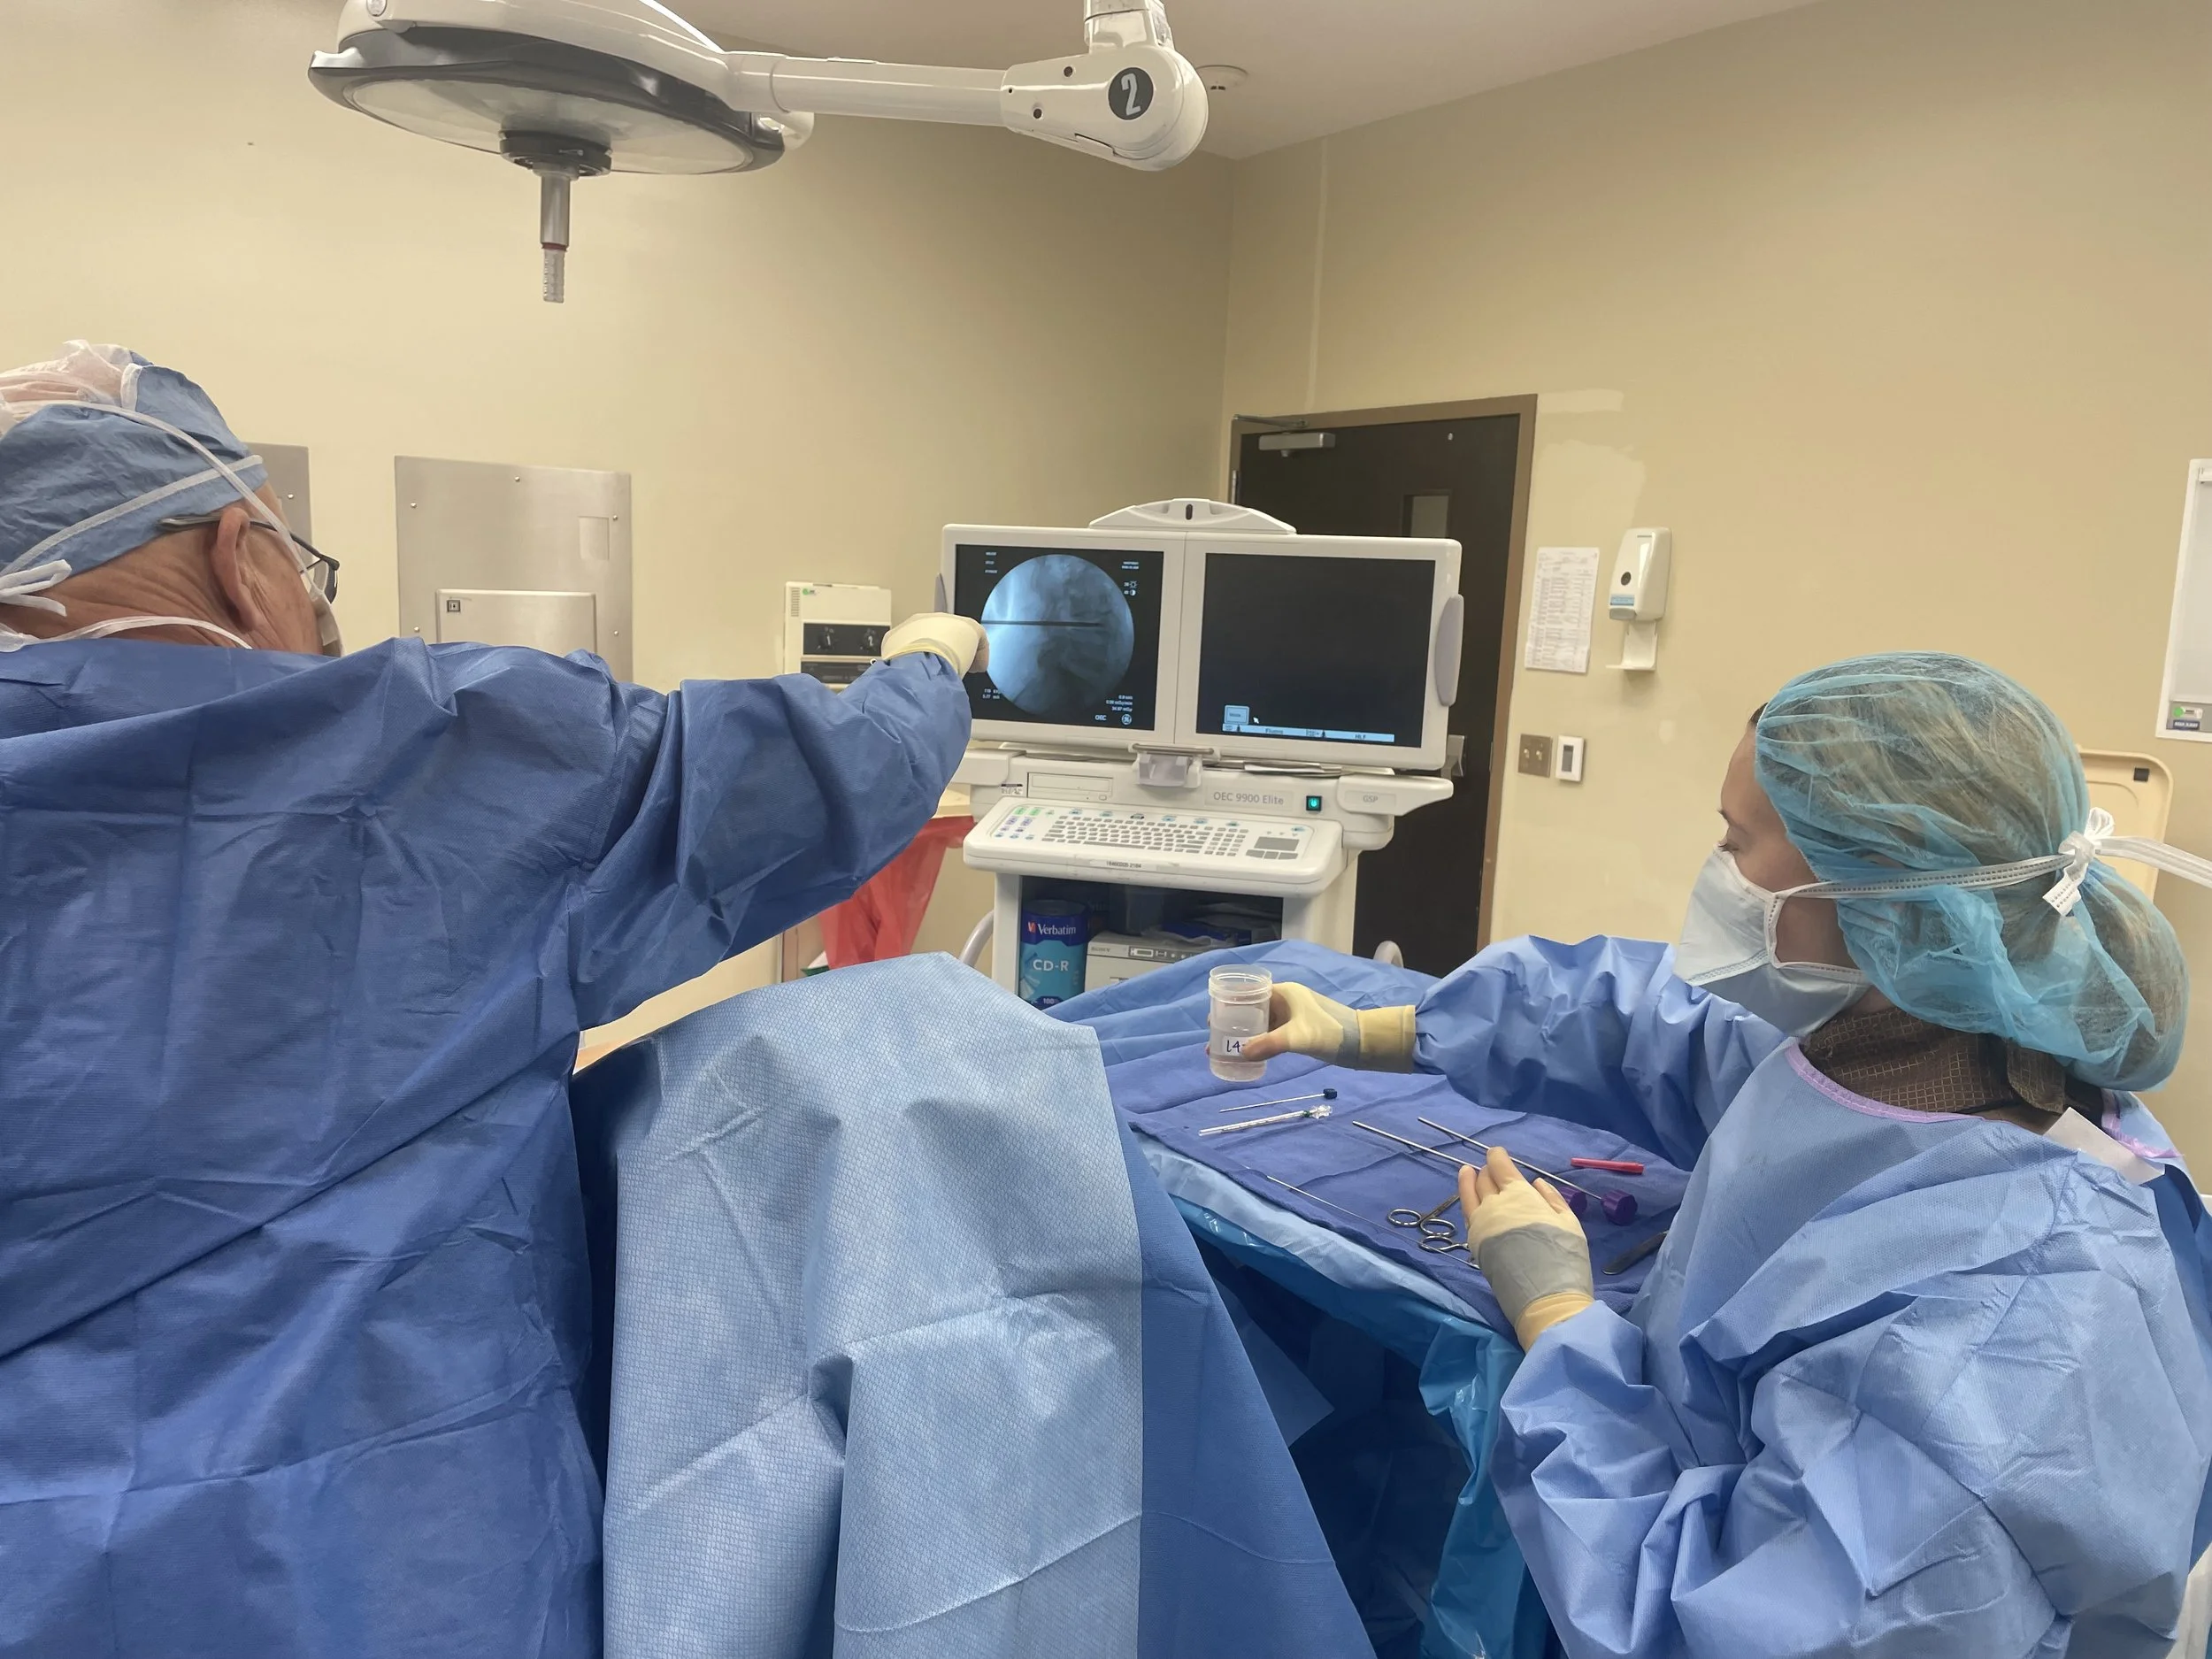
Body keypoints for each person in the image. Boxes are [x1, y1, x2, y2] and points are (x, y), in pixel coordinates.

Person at [0, 342, 988, 1656]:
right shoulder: (415, 755)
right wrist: (927, 662)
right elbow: (826, 774)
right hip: (385, 1564)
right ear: (243, 555)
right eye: (304, 565)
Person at [1247, 653, 2212, 1659]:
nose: (1716, 869)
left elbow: (1722, 1627)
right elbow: (1657, 1028)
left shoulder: (2003, 1337)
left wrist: (1564, 1334)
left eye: (1735, 842)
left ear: (1878, 897)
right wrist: (1387, 1029)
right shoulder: (1914, 1046)